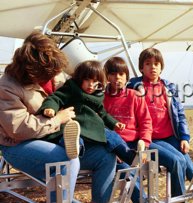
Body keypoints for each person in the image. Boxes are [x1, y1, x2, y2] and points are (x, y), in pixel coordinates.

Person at [0, 31, 115, 203]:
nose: (53, 76)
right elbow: (18, 128)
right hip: (19, 144)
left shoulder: (54, 74)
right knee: (66, 162)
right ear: (32, 70)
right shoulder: (7, 86)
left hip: (56, 137)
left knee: (106, 157)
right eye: (47, 74)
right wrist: (58, 119)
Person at [128, 47, 193, 202]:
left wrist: (184, 137)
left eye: (156, 63)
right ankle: (180, 200)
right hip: (149, 139)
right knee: (177, 161)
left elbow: (180, 115)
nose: (153, 67)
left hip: (170, 137)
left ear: (162, 67)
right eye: (148, 63)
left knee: (189, 166)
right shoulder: (133, 87)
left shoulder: (168, 88)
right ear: (141, 67)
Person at [39, 60, 138, 166]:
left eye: (95, 81)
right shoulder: (72, 88)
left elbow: (103, 113)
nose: (91, 84)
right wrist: (50, 107)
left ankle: (130, 156)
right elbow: (56, 97)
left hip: (93, 127)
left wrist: (113, 123)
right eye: (87, 80)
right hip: (74, 122)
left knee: (112, 136)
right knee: (71, 135)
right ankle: (77, 148)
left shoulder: (98, 95)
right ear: (79, 78)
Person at [103, 56, 152, 203]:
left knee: (170, 160)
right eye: (112, 73)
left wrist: (144, 141)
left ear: (126, 77)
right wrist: (113, 149)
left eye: (121, 74)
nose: (117, 77)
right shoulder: (101, 98)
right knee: (128, 171)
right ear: (106, 76)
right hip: (114, 148)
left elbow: (146, 121)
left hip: (134, 145)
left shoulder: (135, 96)